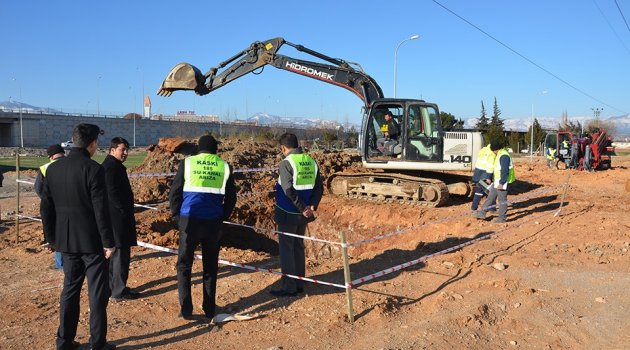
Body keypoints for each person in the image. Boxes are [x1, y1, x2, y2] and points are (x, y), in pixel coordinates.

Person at [40, 123, 117, 350]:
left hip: (66, 242)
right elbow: (100, 209)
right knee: (97, 294)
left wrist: (51, 238)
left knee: (70, 290)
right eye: (97, 143)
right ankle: (97, 343)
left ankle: (64, 341)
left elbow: (46, 208)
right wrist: (108, 242)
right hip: (92, 244)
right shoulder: (94, 169)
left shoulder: (52, 168)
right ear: (92, 143)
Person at [169, 134, 236, 320]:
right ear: (216, 150)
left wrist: (176, 216)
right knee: (210, 266)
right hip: (213, 222)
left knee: (184, 265)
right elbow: (231, 198)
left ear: (199, 148)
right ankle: (209, 309)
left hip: (189, 220)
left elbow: (175, 192)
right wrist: (222, 216)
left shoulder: (187, 163)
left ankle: (186, 308)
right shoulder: (225, 166)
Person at [271, 133, 324, 297]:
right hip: (304, 213)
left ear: (283, 148)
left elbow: (288, 190)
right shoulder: (310, 161)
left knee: (287, 248)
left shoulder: (286, 163)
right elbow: (319, 188)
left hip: (288, 212)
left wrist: (302, 208)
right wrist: (311, 206)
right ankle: (300, 283)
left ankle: (289, 286)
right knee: (298, 246)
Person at [102, 137, 140, 302]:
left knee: (116, 255)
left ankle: (113, 287)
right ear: (112, 150)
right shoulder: (111, 167)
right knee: (120, 255)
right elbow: (111, 193)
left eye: (126, 150)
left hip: (115, 217)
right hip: (117, 219)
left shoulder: (113, 165)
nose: (125, 153)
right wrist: (123, 210)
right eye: (122, 149)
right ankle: (118, 290)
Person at [35, 144, 66, 270]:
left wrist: (48, 201)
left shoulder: (45, 168)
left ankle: (60, 264)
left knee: (57, 235)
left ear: (50, 156)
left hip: (53, 207)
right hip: (73, 205)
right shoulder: (72, 164)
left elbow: (39, 189)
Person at [473, 139, 516, 223]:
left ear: (496, 149)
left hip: (503, 182)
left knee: (502, 200)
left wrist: (502, 183)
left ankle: (502, 218)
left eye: (493, 151)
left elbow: (505, 171)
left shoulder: (504, 156)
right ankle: (482, 212)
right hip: (497, 180)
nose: (493, 153)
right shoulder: (499, 154)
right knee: (491, 196)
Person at [471, 143, 495, 212]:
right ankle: (492, 208)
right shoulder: (491, 153)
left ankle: (474, 207)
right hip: (484, 176)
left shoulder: (483, 150)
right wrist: (489, 177)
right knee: (491, 191)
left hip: (478, 174)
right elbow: (490, 167)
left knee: (479, 191)